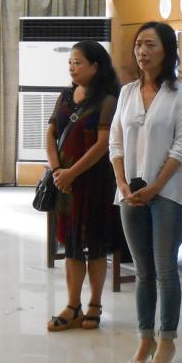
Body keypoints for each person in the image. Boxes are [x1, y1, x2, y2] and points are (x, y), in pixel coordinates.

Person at [110, 22, 182, 363]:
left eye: (150, 45)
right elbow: (115, 141)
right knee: (142, 271)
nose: (142, 52)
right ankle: (145, 337)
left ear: (167, 51)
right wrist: (122, 183)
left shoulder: (181, 93)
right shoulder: (127, 92)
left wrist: (156, 186)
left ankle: (167, 339)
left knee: (165, 270)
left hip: (169, 193)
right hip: (130, 193)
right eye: (138, 45)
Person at [45, 40, 121, 332]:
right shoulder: (66, 96)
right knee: (72, 244)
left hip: (95, 181)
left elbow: (103, 145)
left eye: (78, 63)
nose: (72, 68)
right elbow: (51, 133)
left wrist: (72, 173)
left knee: (96, 245)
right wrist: (57, 171)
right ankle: (73, 304)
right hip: (65, 182)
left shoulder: (107, 100)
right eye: (70, 63)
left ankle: (95, 304)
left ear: (95, 66)